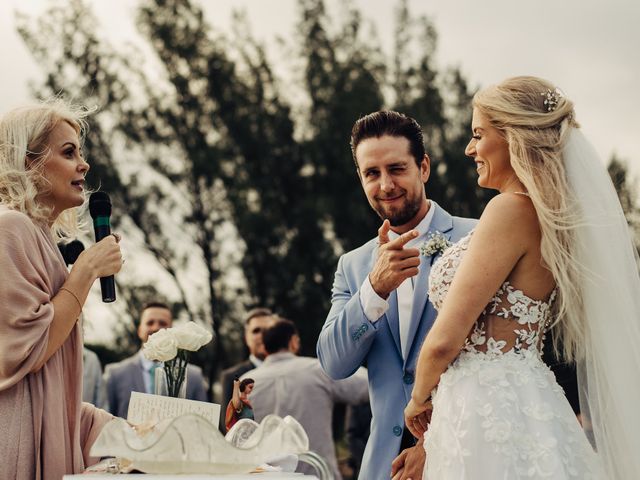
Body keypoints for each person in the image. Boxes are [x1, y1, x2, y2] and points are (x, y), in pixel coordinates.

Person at [404, 76, 640, 479]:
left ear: (514, 137)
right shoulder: (548, 218)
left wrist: (418, 400)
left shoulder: (509, 209)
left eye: (479, 134)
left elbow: (445, 339)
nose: (469, 148)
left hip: (485, 407)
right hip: (526, 395)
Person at [316, 110, 476, 480]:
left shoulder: (478, 238)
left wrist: (433, 444)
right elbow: (334, 364)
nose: (385, 185)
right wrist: (375, 289)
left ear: (423, 167)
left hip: (463, 454)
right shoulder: (353, 266)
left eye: (396, 168)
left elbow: (492, 358)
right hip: (382, 467)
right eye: (372, 173)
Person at [0, 99, 122, 478]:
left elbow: (48, 377)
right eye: (69, 152)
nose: (84, 165)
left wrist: (105, 426)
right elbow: (25, 351)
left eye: (81, 153)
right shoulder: (11, 228)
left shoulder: (38, 236)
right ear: (28, 162)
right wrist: (85, 272)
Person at [246, 318, 369, 480]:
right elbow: (368, 386)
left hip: (265, 476)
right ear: (294, 342)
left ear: (265, 347)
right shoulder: (319, 371)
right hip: (318, 474)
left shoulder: (245, 383)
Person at [103, 302, 209, 418]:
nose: (156, 327)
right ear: (139, 330)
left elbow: (202, 423)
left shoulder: (194, 375)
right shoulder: (115, 374)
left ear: (172, 329)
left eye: (163, 323)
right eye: (150, 323)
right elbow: (107, 421)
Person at [219, 307, 274, 425]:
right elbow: (226, 425)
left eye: (269, 330)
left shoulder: (286, 373)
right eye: (256, 331)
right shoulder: (231, 377)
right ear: (246, 338)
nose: (263, 335)